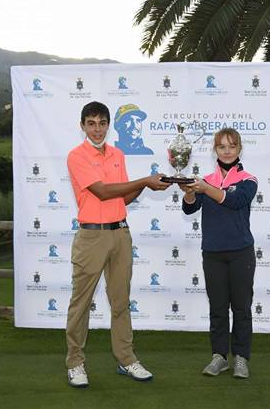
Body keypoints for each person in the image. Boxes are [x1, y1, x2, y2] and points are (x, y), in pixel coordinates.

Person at [65, 101, 171, 388]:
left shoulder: (118, 154)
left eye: (101, 123)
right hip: (91, 237)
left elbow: (122, 198)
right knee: (81, 303)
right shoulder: (77, 156)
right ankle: (75, 362)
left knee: (121, 302)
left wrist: (151, 183)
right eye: (91, 123)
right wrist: (145, 180)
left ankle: (126, 359)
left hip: (121, 234)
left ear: (108, 125)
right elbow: (101, 192)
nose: (97, 129)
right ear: (83, 126)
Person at [179, 128, 257, 379]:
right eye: (222, 146)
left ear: (239, 149)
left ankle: (241, 358)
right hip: (212, 252)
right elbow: (190, 209)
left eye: (231, 146)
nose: (226, 151)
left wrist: (204, 188)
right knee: (218, 308)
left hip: (241, 252)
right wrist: (191, 192)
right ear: (215, 150)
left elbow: (233, 202)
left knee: (242, 308)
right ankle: (219, 357)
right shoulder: (205, 180)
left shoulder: (248, 180)